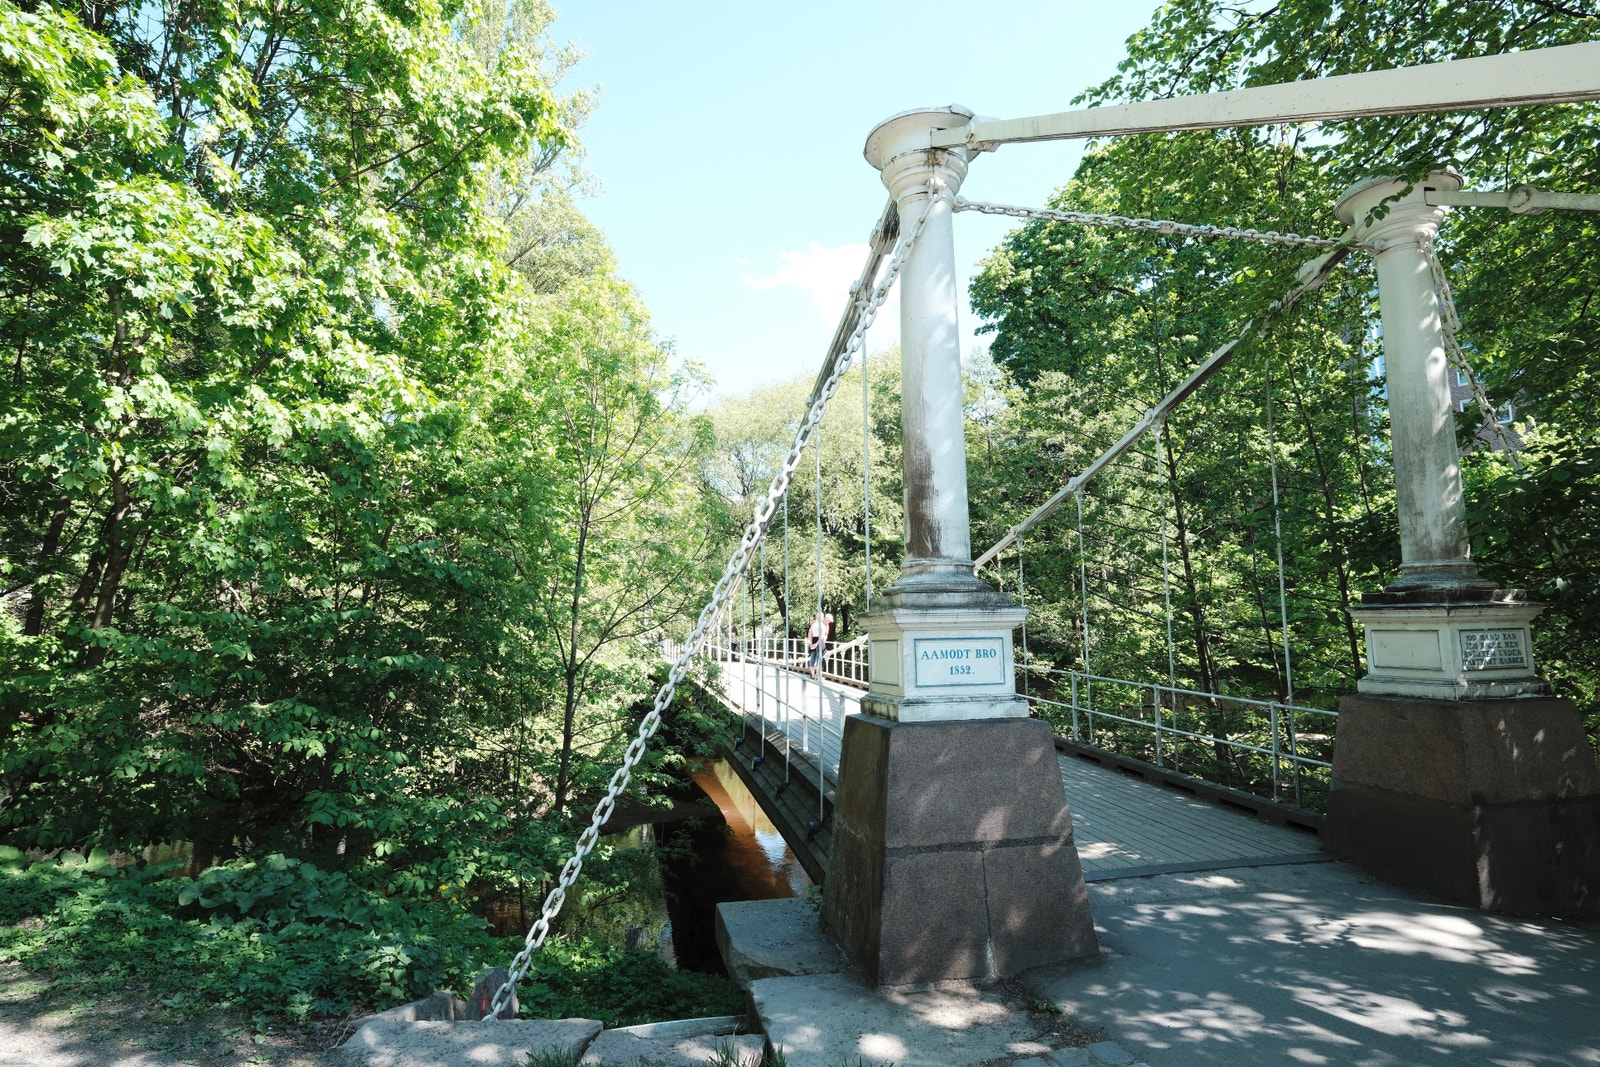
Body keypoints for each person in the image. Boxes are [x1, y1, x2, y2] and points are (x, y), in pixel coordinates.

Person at [808, 612, 834, 679]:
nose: (829, 622)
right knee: (819, 658)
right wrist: (817, 643)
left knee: (813, 657)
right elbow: (823, 635)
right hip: (819, 641)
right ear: (825, 618)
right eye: (829, 620)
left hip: (814, 641)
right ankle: (817, 675)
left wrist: (811, 643)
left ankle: (812, 673)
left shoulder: (814, 623)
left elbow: (810, 633)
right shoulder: (822, 625)